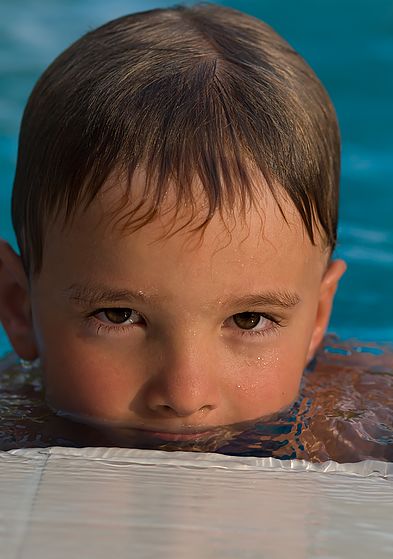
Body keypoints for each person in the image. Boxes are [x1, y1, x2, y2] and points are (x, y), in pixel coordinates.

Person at [0, 3, 361, 454]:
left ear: (317, 320)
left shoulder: (359, 422)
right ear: (20, 308)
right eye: (119, 315)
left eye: (249, 320)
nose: (185, 396)